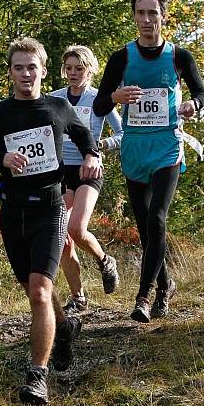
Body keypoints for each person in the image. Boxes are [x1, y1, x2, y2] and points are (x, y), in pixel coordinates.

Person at [0, 38, 102, 405]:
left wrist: (91, 155)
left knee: (40, 292)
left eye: (31, 67)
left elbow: (84, 134)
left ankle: (37, 375)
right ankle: (65, 329)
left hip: (50, 210)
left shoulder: (57, 107)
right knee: (36, 292)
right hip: (13, 212)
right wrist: (0, 158)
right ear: (11, 72)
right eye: (18, 67)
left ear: (43, 71)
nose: (25, 74)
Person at [93, 0, 204, 323]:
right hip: (134, 147)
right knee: (146, 228)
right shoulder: (122, 58)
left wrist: (193, 103)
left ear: (163, 16)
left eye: (152, 13)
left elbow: (202, 93)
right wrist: (116, 97)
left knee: (157, 217)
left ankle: (143, 296)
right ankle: (166, 284)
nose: (147, 19)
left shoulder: (179, 57)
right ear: (134, 17)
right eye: (141, 13)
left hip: (167, 146)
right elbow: (99, 104)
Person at [50, 45, 123, 313]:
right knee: (61, 236)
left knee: (77, 229)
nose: (73, 73)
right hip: (61, 171)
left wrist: (99, 146)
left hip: (88, 170)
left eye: (79, 69)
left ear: (89, 70)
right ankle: (78, 297)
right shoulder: (55, 99)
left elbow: (123, 133)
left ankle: (105, 262)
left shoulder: (98, 99)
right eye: (68, 68)